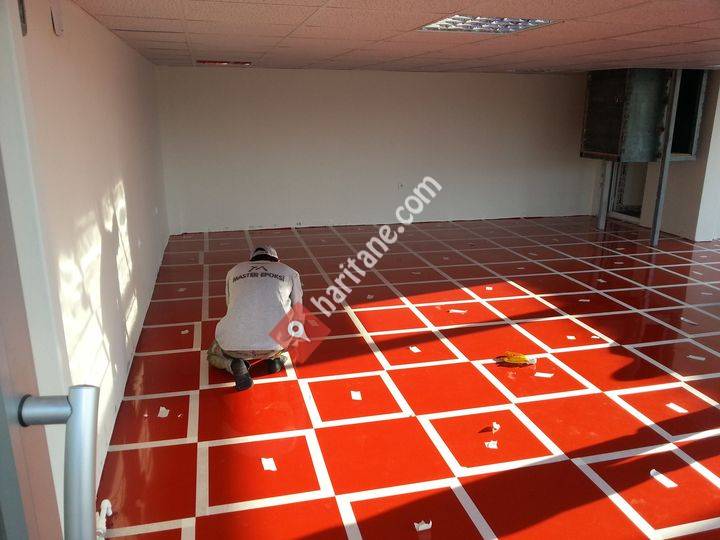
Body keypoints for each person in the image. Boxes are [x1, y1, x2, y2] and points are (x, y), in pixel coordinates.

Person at [208, 245, 303, 390]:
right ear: (277, 261)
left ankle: (233, 364)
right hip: (276, 344)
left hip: (234, 346)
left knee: (212, 354)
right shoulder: (290, 272)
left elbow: (230, 306)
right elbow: (298, 310)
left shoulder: (234, 271)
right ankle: (275, 357)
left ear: (251, 260)